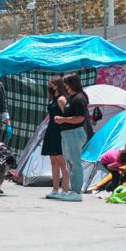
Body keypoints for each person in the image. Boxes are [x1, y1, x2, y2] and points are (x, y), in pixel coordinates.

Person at [52, 74, 90, 202]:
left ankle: (77, 191)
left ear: (72, 83)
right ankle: (73, 190)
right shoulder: (72, 97)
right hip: (68, 134)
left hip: (74, 133)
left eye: (66, 84)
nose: (65, 86)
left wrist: (63, 119)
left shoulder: (79, 98)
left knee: (75, 162)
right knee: (70, 163)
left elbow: (80, 118)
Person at [42, 77, 68, 199]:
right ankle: (55, 189)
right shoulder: (52, 98)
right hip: (51, 130)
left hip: (59, 132)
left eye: (51, 84)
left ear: (57, 85)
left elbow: (66, 117)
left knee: (61, 162)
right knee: (53, 162)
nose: (49, 86)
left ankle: (65, 190)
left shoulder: (61, 99)